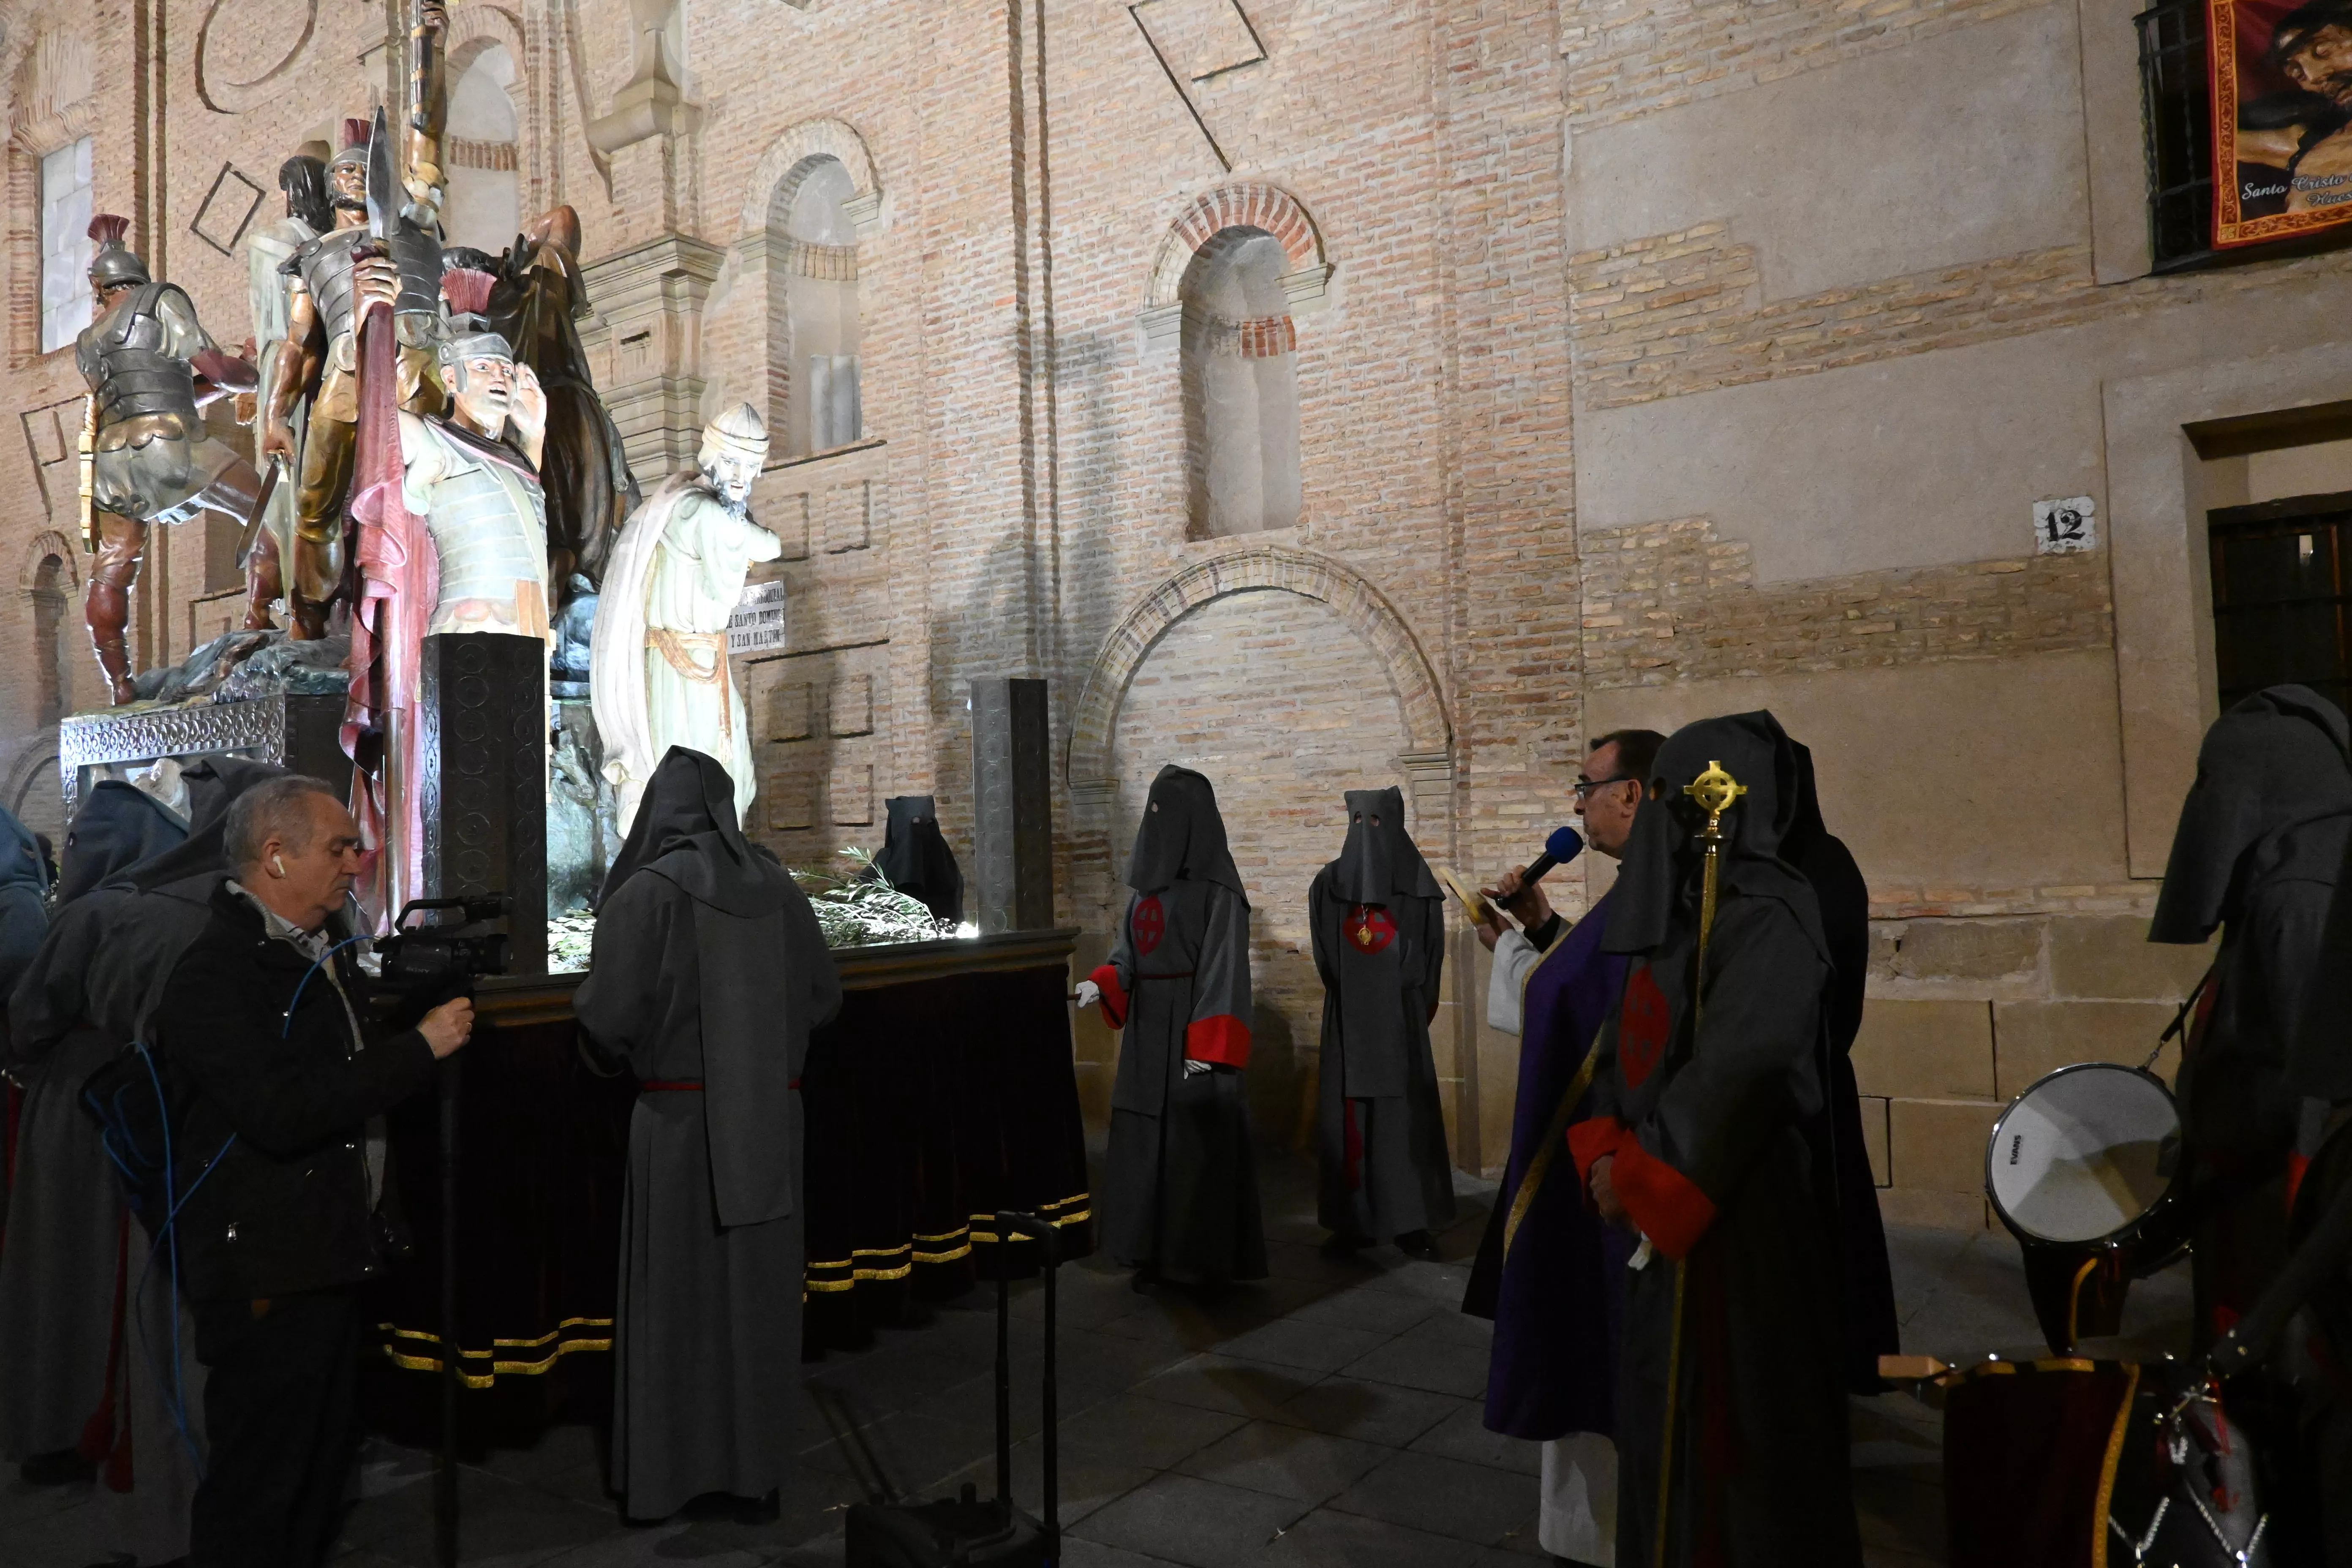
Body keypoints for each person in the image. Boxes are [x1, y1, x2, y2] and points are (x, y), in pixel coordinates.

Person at [155, 775, 473, 1568]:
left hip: (325, 1251)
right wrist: (420, 1048)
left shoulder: (315, 950)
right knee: (261, 1481)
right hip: (267, 1264)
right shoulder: (216, 974)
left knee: (319, 1470)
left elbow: (338, 1068)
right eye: (338, 848)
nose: (356, 863)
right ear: (274, 857)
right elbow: (281, 1109)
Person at [1568, 712, 1862, 1568]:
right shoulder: (1678, 908)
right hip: (1669, 1225)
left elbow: (1742, 1069)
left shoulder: (1771, 916)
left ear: (1711, 803)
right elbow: (1626, 1041)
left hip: (1743, 1229)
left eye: (1665, 795)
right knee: (1664, 1429)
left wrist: (1642, 1173)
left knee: (1742, 1457)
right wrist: (1606, 1146)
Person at [575, 746, 841, 1521]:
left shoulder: (645, 895)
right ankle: (755, 1476)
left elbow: (607, 1018)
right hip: (773, 1120)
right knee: (759, 1302)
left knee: (677, 1305)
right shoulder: (782, 892)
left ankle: (671, 1479)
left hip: (678, 1128)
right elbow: (825, 998)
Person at [1461, 727, 1662, 1568]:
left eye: (1586, 786)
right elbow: (1595, 985)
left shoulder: (1656, 885)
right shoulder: (1642, 886)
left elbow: (1587, 1008)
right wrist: (1542, 929)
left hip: (1623, 1160)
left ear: (1633, 793)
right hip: (1617, 1146)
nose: (1577, 804)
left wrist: (1509, 948)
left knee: (1600, 1341)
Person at [261, 7, 452, 640]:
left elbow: (427, 136)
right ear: (330, 186)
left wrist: (428, 48)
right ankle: (311, 617)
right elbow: (299, 344)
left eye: (363, 168)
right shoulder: (312, 256)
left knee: (445, 482)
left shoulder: (415, 222)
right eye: (344, 170)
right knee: (315, 501)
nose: (356, 175)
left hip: (420, 364)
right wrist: (275, 414)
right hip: (345, 373)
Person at [1078, 765, 1266, 1290]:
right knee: (1145, 1139)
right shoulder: (1146, 891)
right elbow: (1127, 955)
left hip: (1191, 1031)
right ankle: (1147, 1251)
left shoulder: (1219, 892)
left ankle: (1199, 1262)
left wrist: (1207, 1043)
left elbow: (1224, 970)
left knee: (1192, 1147)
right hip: (1146, 1030)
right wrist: (1103, 982)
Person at [76, 214, 265, 702]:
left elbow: (167, 392)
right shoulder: (160, 300)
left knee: (113, 569)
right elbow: (217, 370)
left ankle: (121, 685)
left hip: (112, 465)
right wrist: (257, 374)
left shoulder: (88, 341)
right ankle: (261, 622)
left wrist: (227, 387)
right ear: (138, 278)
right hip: (169, 446)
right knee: (267, 511)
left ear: (101, 290)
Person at [592, 403, 783, 835]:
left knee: (726, 773)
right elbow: (768, 547)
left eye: (751, 466)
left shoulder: (675, 499)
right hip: (680, 668)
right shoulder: (702, 512)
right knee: (696, 774)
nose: (741, 476)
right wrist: (744, 531)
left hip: (699, 664)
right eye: (732, 462)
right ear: (711, 458)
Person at [1308, 785, 1453, 1258]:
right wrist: (1357, 992)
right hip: (1348, 1022)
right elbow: (1326, 958)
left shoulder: (1417, 886)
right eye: (1357, 821)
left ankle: (1412, 1223)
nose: (1365, 831)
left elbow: (1432, 958)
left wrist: (1407, 1008)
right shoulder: (1328, 885)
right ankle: (1352, 1223)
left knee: (1403, 1121)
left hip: (1400, 1021)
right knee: (1350, 1122)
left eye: (1375, 822)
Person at [867, 794, 964, 925]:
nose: (923, 831)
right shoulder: (879, 874)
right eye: (915, 824)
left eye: (930, 824)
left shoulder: (948, 868)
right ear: (900, 827)